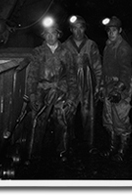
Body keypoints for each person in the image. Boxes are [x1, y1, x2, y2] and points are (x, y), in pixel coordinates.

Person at [25, 17, 78, 164]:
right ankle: (32, 154)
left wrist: (72, 98)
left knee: (61, 117)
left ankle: (62, 151)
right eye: (47, 33)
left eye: (53, 33)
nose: (50, 36)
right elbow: (32, 76)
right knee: (36, 119)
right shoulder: (38, 52)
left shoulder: (66, 53)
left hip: (61, 90)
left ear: (58, 34)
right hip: (42, 90)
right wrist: (32, 95)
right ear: (43, 35)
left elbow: (72, 77)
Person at [63, 15, 102, 155]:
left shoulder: (91, 44)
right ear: (71, 29)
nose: (78, 32)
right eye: (75, 28)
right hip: (70, 81)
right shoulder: (65, 46)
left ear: (84, 29)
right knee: (68, 112)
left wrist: (98, 85)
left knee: (88, 112)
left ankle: (90, 143)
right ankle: (68, 142)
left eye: (81, 28)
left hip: (87, 80)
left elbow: (97, 66)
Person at [99, 16, 132, 162]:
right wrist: (102, 85)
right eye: (109, 31)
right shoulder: (108, 46)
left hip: (120, 87)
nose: (111, 33)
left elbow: (126, 72)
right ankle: (112, 147)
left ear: (119, 30)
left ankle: (122, 150)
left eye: (114, 30)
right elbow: (105, 68)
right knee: (109, 119)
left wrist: (119, 90)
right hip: (109, 86)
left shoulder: (123, 48)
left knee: (120, 119)